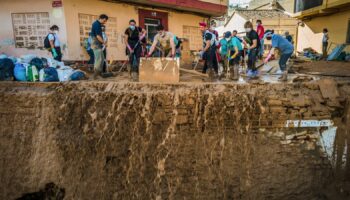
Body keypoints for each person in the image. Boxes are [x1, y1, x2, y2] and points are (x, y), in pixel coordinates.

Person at [91, 14, 108, 79]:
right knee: (99, 59)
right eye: (104, 20)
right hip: (96, 44)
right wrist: (104, 43)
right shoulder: (97, 24)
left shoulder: (98, 24)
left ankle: (99, 73)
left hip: (98, 44)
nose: (105, 22)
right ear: (102, 18)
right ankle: (96, 75)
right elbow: (98, 36)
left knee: (102, 58)